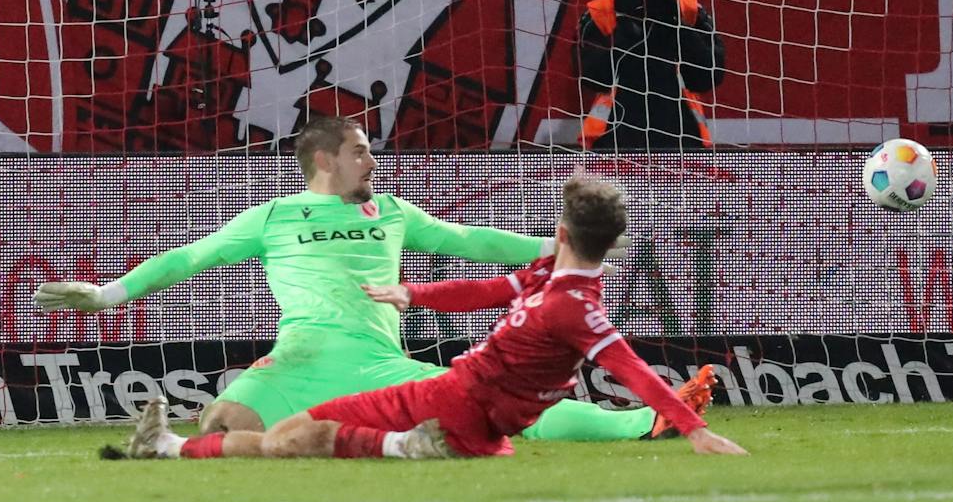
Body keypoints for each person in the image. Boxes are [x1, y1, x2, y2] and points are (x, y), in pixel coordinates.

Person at [34, 115, 707, 443]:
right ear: (325, 159)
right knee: (219, 424)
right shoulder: (273, 215)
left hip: (376, 360)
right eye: (360, 150)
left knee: (490, 412)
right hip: (299, 360)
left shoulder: (390, 212)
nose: (373, 160)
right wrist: (107, 294)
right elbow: (189, 257)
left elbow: (466, 241)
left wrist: (562, 246)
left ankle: (643, 422)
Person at [126, 174, 741, 461]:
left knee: (299, 435)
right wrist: (414, 296)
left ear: (561, 234)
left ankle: (170, 448)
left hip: (457, 398)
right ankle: (643, 423)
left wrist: (689, 424)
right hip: (477, 405)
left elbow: (626, 363)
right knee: (287, 429)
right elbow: (482, 287)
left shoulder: (570, 307)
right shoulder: (547, 284)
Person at [576, 0, 725, 152]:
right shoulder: (600, 12)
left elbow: (708, 76)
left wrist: (669, 16)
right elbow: (594, 77)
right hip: (616, 140)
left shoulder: (687, 9)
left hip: (681, 140)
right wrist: (630, 17)